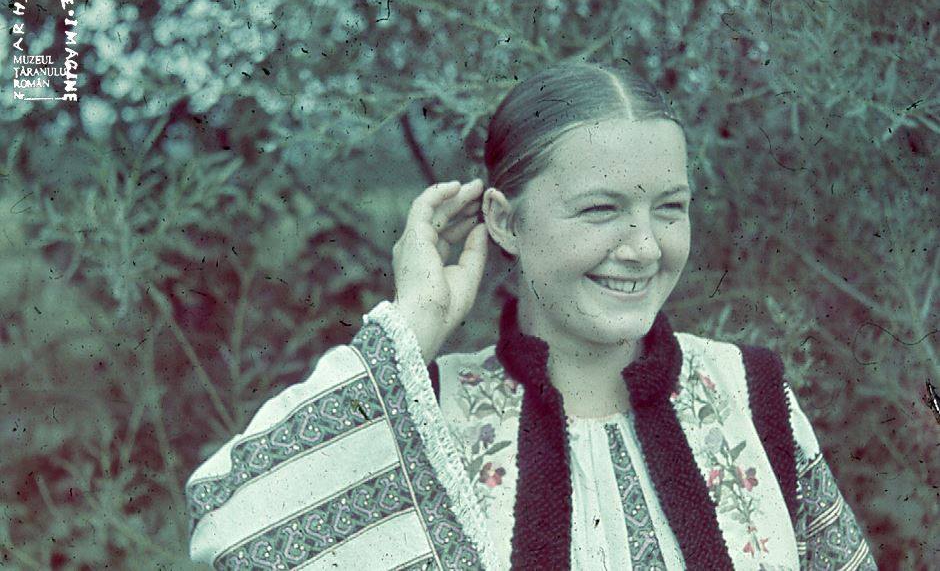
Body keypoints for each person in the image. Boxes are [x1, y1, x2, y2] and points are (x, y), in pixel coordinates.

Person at [185, 61, 877, 570]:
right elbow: (229, 523)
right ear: (503, 221)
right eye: (601, 209)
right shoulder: (425, 413)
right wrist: (415, 322)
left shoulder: (750, 394)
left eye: (670, 208)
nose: (644, 247)